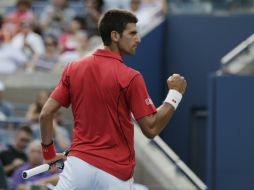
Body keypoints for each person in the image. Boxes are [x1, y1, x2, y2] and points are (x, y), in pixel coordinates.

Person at [39, 9, 187, 190]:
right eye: (132, 33)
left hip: (78, 167)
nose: (138, 39)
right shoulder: (131, 77)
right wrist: (175, 94)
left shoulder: (73, 68)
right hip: (115, 174)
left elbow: (46, 114)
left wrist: (48, 153)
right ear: (115, 36)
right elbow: (151, 128)